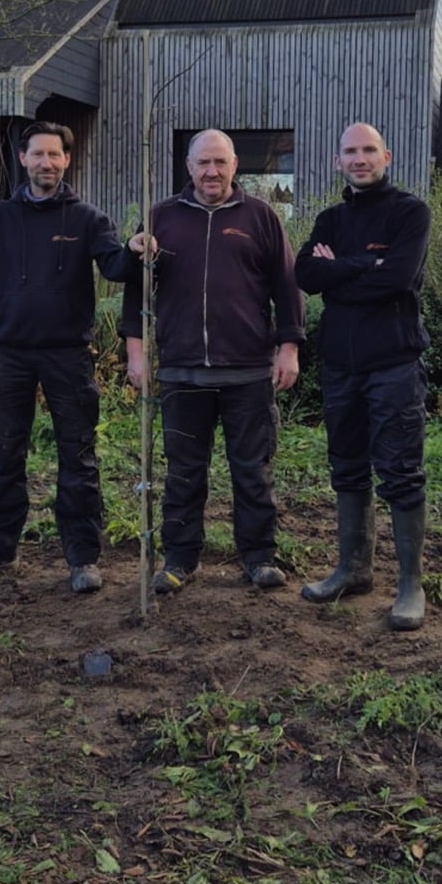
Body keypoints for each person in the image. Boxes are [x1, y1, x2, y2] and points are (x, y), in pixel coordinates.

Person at [122, 129, 305, 593]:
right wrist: (138, 353)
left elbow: (287, 288)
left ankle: (259, 557)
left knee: (252, 470)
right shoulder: (160, 217)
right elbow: (134, 293)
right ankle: (180, 559)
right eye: (203, 162)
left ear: (235, 165)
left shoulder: (261, 218)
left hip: (247, 370)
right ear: (188, 166)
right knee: (183, 471)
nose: (212, 171)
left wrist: (289, 347)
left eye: (220, 162)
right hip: (182, 369)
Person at [0, 121, 132, 594]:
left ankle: (83, 558)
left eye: (55, 155)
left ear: (67, 161)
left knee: (78, 458)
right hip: (8, 355)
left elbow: (116, 267)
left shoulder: (88, 219)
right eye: (38, 154)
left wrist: (136, 250)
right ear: (23, 159)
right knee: (6, 457)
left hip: (67, 357)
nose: (46, 163)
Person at [294, 122, 433, 630]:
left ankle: (410, 586)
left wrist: (343, 271)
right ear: (338, 162)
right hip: (340, 365)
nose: (359, 158)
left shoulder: (409, 213)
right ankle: (353, 570)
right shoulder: (330, 220)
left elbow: (399, 278)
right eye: (350, 151)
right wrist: (364, 266)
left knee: (399, 472)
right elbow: (305, 275)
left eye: (368, 150)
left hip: (393, 363)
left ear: (387, 157)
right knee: (347, 467)